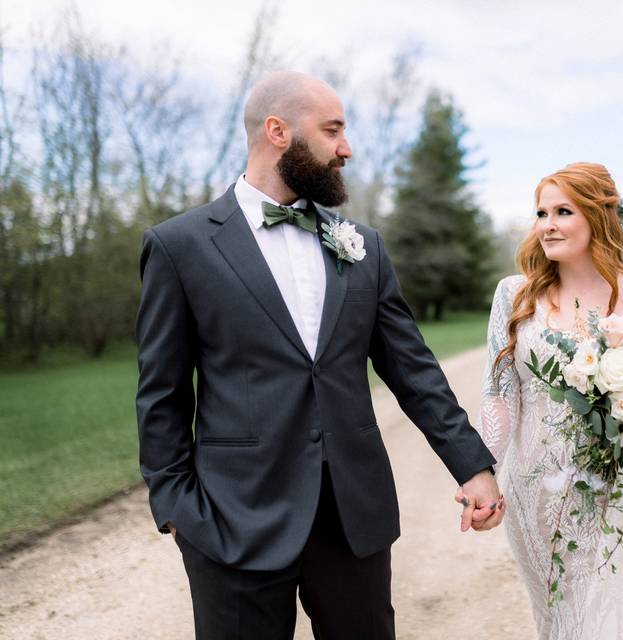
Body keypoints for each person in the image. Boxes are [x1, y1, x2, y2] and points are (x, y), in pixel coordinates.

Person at [135, 70, 503, 640]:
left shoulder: (363, 246)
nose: (346, 148)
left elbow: (413, 369)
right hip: (233, 518)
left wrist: (472, 465)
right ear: (278, 131)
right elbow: (161, 392)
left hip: (352, 517)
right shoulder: (179, 246)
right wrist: (176, 506)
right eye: (332, 131)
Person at [477, 163, 623, 639]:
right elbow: (500, 396)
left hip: (620, 489)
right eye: (541, 212)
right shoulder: (515, 296)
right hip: (536, 489)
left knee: (621, 615)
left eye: (563, 211)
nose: (547, 224)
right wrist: (483, 473)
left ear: (598, 217)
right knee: (564, 618)